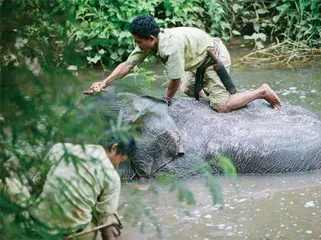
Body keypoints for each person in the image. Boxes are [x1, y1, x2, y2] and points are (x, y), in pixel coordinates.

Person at [86, 14, 281, 112]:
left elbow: (175, 78)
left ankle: (260, 92)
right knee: (188, 89)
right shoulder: (150, 44)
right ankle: (215, 94)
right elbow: (127, 65)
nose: (136, 45)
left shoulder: (170, 48)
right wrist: (105, 82)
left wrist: (166, 100)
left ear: (151, 38)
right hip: (197, 60)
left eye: (138, 42)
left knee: (221, 107)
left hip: (213, 58)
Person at [4, 133, 136, 240]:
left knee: (7, 182)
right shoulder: (111, 176)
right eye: (121, 160)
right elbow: (107, 228)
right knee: (104, 214)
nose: (118, 166)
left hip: (37, 226)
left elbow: (35, 187)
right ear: (114, 148)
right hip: (75, 236)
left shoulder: (60, 149)